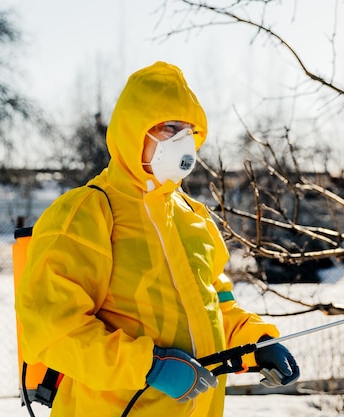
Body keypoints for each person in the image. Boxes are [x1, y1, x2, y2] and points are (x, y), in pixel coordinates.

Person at [15, 61, 300, 417]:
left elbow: (216, 309)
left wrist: (256, 343)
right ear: (134, 130)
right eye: (169, 127)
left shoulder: (193, 217)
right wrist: (148, 365)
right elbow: (53, 328)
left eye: (189, 129)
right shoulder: (86, 212)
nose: (183, 139)